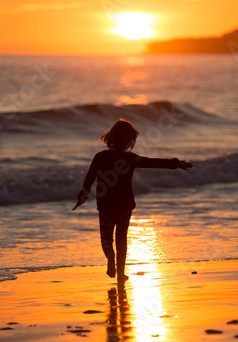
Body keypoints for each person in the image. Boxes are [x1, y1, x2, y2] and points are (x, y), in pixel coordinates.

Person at [74, 119, 192, 282]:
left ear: (112, 137)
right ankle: (121, 274)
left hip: (106, 205)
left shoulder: (100, 157)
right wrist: (175, 163)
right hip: (124, 205)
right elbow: (152, 162)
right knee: (122, 238)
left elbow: (89, 179)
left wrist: (82, 196)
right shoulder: (130, 158)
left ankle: (110, 256)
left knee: (106, 238)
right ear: (129, 140)